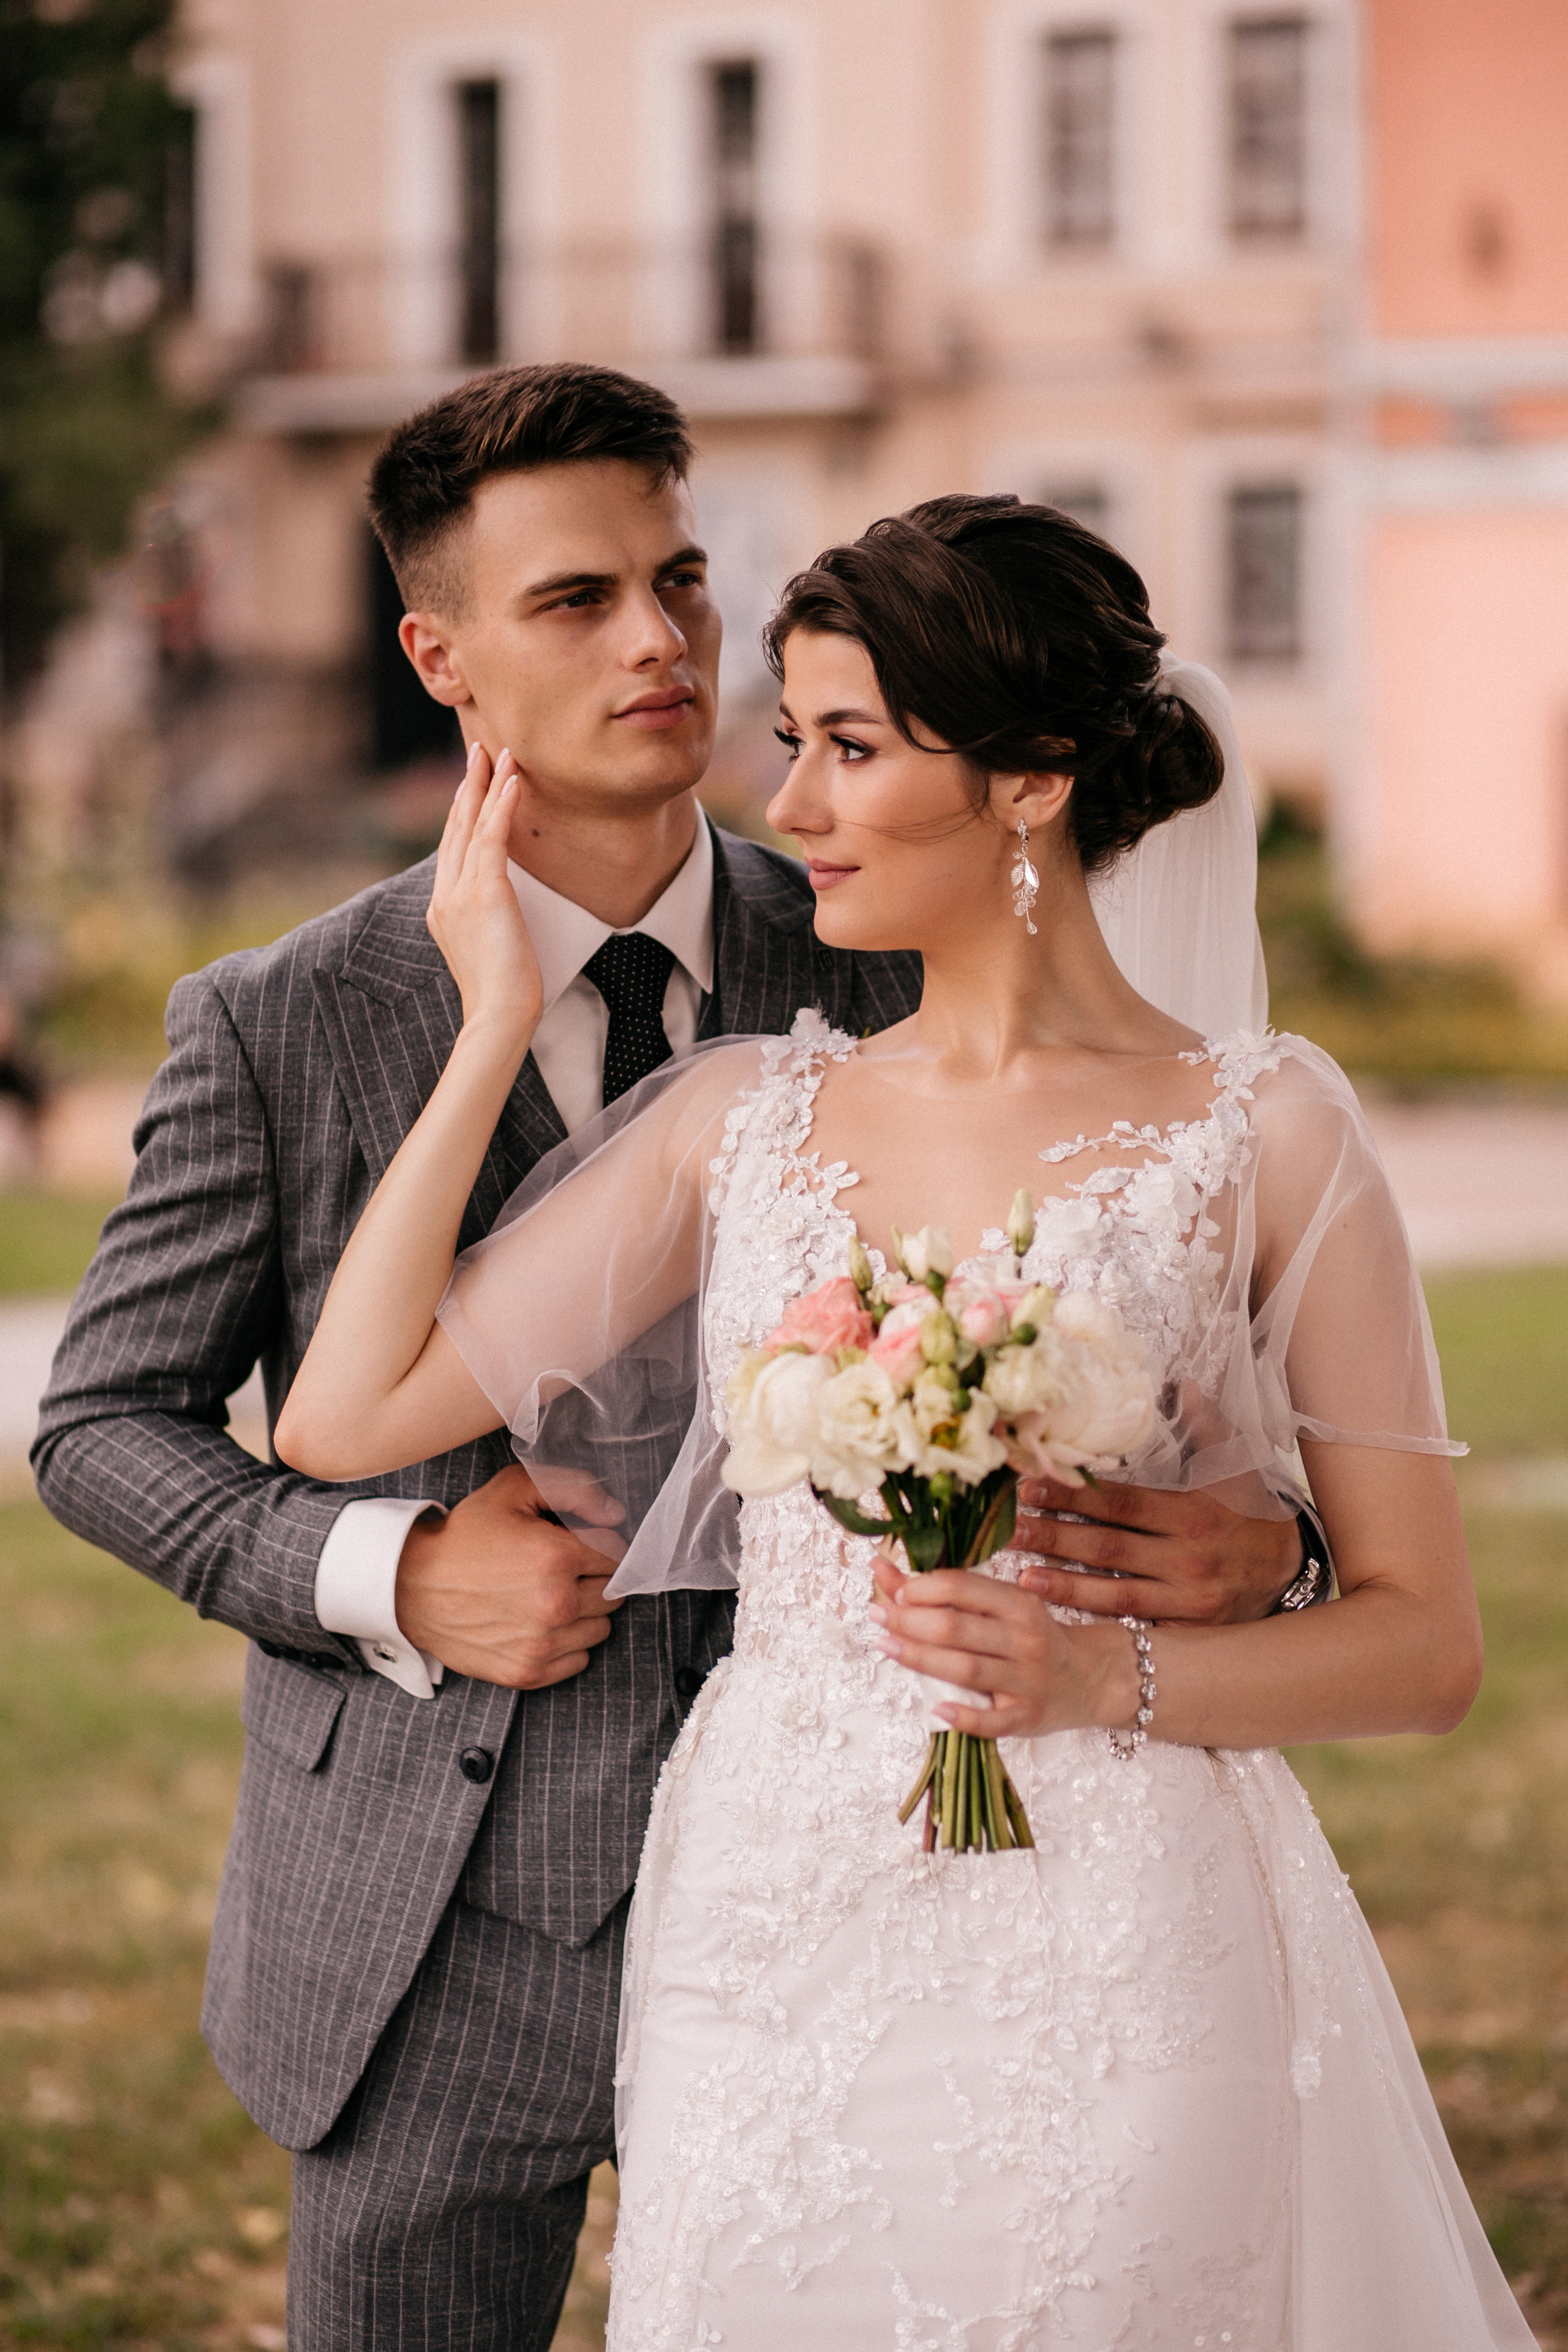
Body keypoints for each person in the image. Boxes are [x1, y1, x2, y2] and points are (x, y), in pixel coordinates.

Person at [34, 368, 1317, 2352]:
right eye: (577, 602)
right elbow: (106, 1427)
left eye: (680, 577)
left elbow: (1186, 1323)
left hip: (901, 1886)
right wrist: (388, 1574)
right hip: (440, 1923)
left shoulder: (916, 933)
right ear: (437, 657)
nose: (661, 644)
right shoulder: (278, 1018)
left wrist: (1271, 1548)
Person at [275, 490, 1534, 2349]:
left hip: (1123, 1928)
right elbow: (344, 1410)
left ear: (1028, 783)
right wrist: (491, 1024)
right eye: (792, 742)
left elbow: (1427, 1649)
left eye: (850, 748)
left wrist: (1107, 1682)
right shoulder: (741, 1120)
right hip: (770, 1921)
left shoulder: (1265, 1137)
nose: (785, 806)